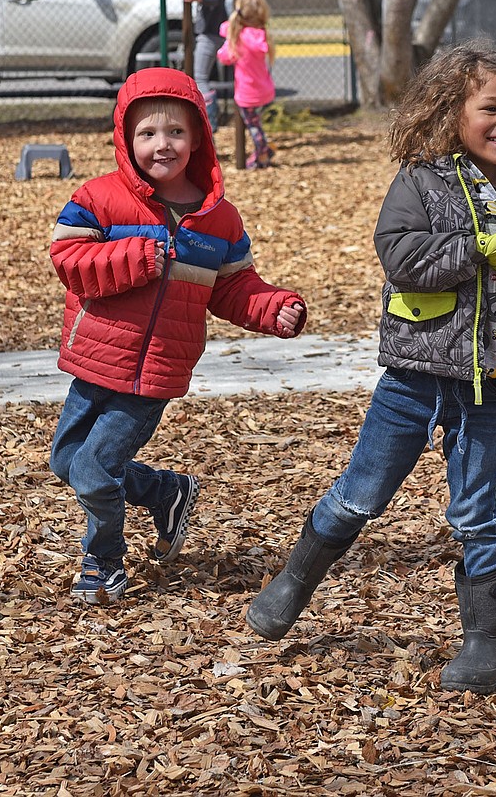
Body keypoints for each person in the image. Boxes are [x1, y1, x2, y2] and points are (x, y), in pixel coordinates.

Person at [245, 40, 496, 695]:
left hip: (491, 383)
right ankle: (293, 581)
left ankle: (488, 645)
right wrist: (478, 249)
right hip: (413, 378)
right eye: (490, 107)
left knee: (477, 511)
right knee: (360, 494)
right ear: (452, 111)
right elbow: (400, 255)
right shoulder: (423, 181)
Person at [47, 66, 307, 605]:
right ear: (125, 138)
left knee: (94, 471)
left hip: (156, 371)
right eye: (146, 134)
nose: (160, 145)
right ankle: (166, 491)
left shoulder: (218, 220)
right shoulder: (99, 199)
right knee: (67, 461)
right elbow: (69, 259)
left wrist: (275, 307)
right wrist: (139, 257)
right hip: (95, 357)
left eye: (174, 133)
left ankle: (104, 561)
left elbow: (235, 287)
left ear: (198, 140)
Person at [218, 0, 276, 169]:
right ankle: (263, 151)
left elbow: (224, 57)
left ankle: (263, 152)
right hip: (264, 89)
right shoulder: (261, 33)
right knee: (255, 121)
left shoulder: (238, 37)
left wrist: (229, 35)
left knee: (253, 126)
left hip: (247, 93)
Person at [183, 0, 234, 133]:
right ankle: (209, 116)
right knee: (200, 77)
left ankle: (210, 116)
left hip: (210, 34)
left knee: (200, 77)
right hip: (212, 33)